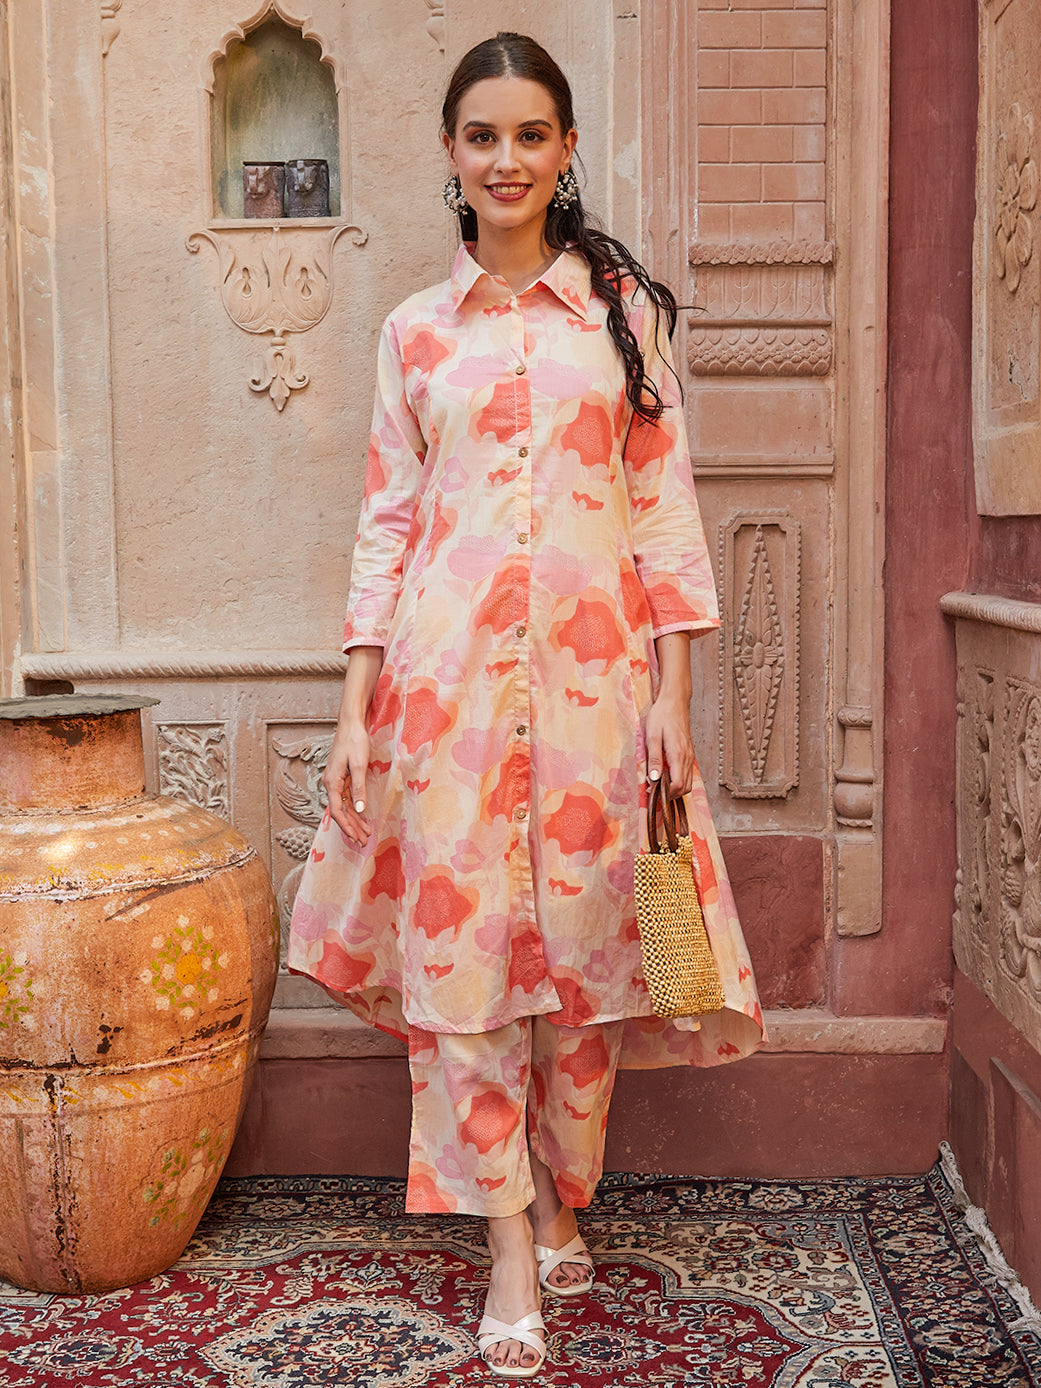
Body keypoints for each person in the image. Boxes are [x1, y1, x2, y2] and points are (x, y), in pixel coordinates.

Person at [287, 31, 764, 1379]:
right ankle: (509, 1244)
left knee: (590, 964)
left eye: (530, 135)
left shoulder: (621, 318)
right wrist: (354, 707)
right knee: (464, 974)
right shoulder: (413, 333)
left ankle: (562, 1191)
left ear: (564, 150)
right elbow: (387, 524)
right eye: (482, 136)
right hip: (441, 698)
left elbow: (663, 512)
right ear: (451, 152)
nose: (506, 159)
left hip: (600, 696)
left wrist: (674, 696)